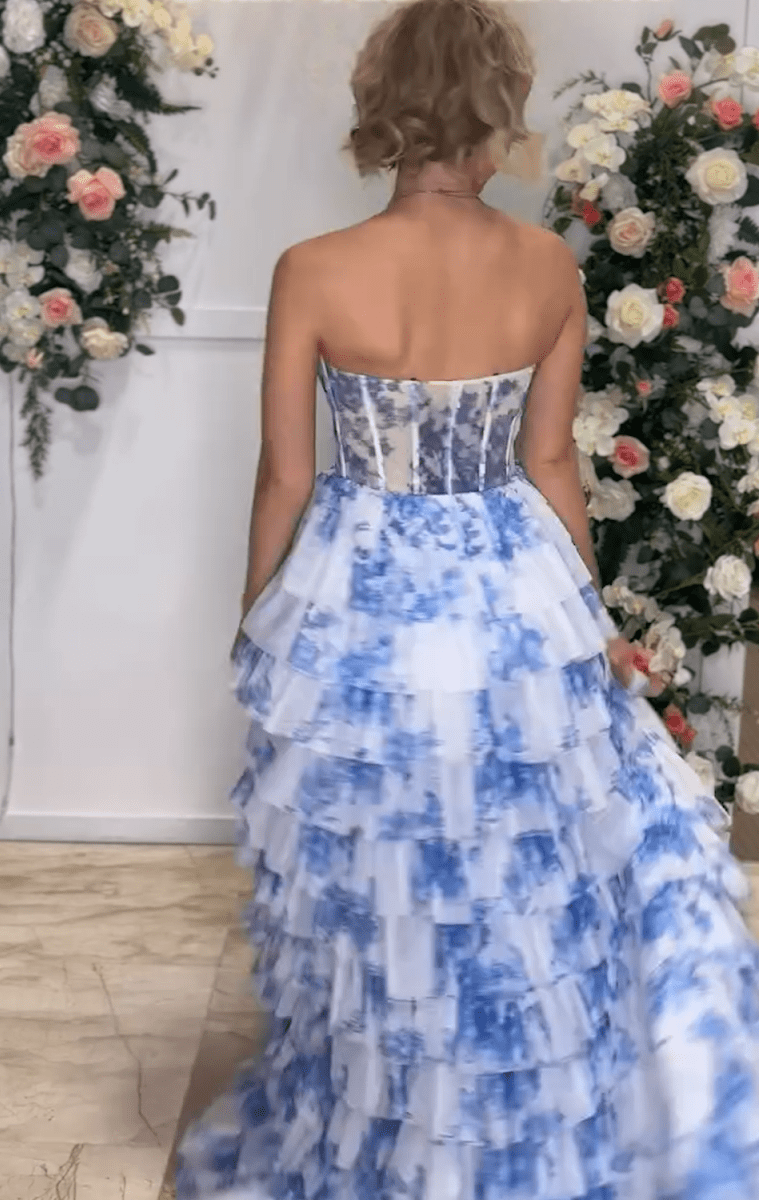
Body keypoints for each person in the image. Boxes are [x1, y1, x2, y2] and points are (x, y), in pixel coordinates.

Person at [177, 1, 759, 1197]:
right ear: (493, 112)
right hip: (505, 582)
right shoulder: (544, 267)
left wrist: (254, 621)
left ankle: (392, 1106)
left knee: (384, 865)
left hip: (360, 590)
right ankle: (505, 1105)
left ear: (384, 107)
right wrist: (584, 622)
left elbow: (287, 475)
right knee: (510, 856)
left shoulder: (311, 268)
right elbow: (548, 464)